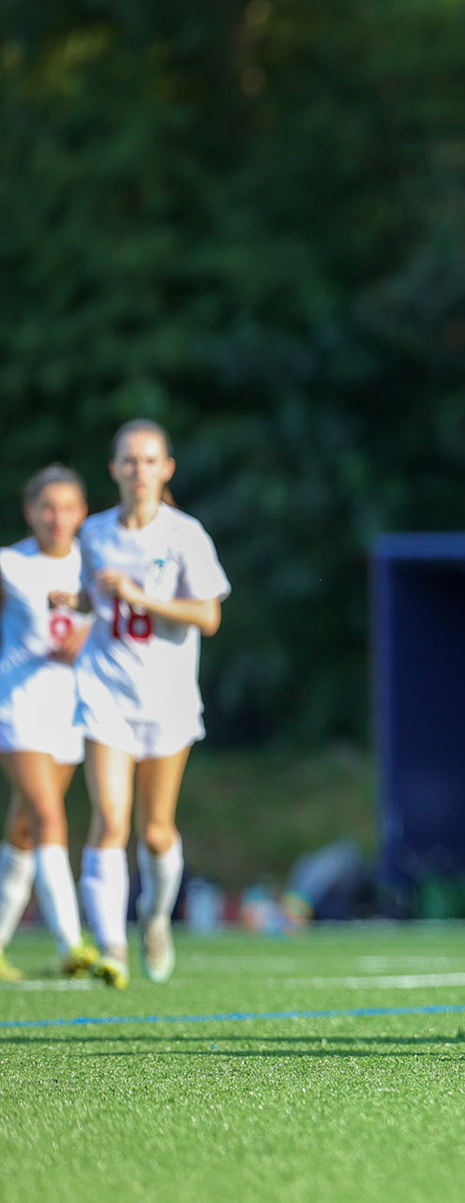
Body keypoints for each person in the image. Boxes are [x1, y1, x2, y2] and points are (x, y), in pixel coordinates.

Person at [53, 421, 230, 989]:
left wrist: (140, 597)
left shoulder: (185, 535)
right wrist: (77, 601)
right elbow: (91, 597)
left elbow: (208, 616)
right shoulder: (95, 532)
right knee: (110, 821)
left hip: (168, 699)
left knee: (155, 831)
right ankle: (111, 948)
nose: (138, 471)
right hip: (105, 691)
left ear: (166, 468)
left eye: (149, 461)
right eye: (128, 462)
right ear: (114, 470)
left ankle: (154, 919)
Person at [0, 467, 96, 980]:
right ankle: (70, 942)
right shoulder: (11, 565)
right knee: (49, 818)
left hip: (73, 713)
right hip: (16, 711)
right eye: (46, 508)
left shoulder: (95, 565)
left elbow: (113, 620)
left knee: (24, 828)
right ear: (29, 511)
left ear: (82, 512)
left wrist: (91, 635)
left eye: (67, 508)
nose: (57, 519)